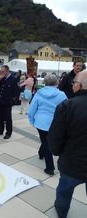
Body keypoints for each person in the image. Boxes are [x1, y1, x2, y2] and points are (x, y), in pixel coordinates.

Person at [47, 70, 87, 218]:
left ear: (80, 86)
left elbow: (55, 136)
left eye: (74, 83)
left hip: (72, 162)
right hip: (74, 160)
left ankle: (61, 213)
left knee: (64, 190)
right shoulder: (67, 105)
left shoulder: (67, 106)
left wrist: (57, 152)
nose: (72, 86)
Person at [27, 75, 67, 175]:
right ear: (57, 83)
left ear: (44, 83)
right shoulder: (61, 94)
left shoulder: (39, 93)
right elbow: (67, 109)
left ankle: (50, 168)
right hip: (55, 122)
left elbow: (32, 109)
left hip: (41, 122)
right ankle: (41, 154)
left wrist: (32, 120)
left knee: (45, 141)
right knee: (46, 141)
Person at [0, 65, 17, 139]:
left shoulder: (13, 79)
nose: (1, 73)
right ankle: (0, 130)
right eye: (1, 71)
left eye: (3, 71)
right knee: (0, 117)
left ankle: (8, 132)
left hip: (7, 101)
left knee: (8, 118)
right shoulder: (1, 78)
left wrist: (12, 100)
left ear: (7, 71)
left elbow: (16, 91)